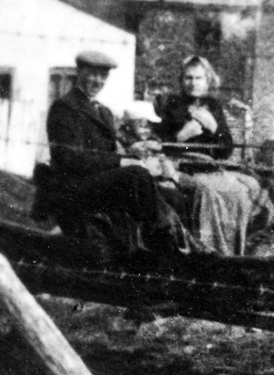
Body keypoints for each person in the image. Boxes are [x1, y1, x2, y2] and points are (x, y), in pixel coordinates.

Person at [44, 50, 191, 257]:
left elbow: (108, 151)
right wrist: (121, 161)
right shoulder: (64, 109)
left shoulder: (103, 111)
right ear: (80, 72)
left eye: (102, 75)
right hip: (75, 186)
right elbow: (69, 159)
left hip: (99, 181)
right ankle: (165, 246)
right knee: (136, 176)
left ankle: (183, 244)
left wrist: (130, 152)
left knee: (173, 197)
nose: (97, 80)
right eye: (92, 74)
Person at [153, 55, 274, 256]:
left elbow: (226, 149)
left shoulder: (214, 106)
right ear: (181, 80)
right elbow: (160, 144)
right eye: (188, 78)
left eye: (198, 78)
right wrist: (182, 136)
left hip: (211, 166)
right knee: (215, 195)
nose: (193, 83)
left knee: (247, 188)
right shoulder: (170, 104)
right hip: (182, 166)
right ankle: (214, 248)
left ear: (208, 80)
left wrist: (214, 127)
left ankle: (242, 244)